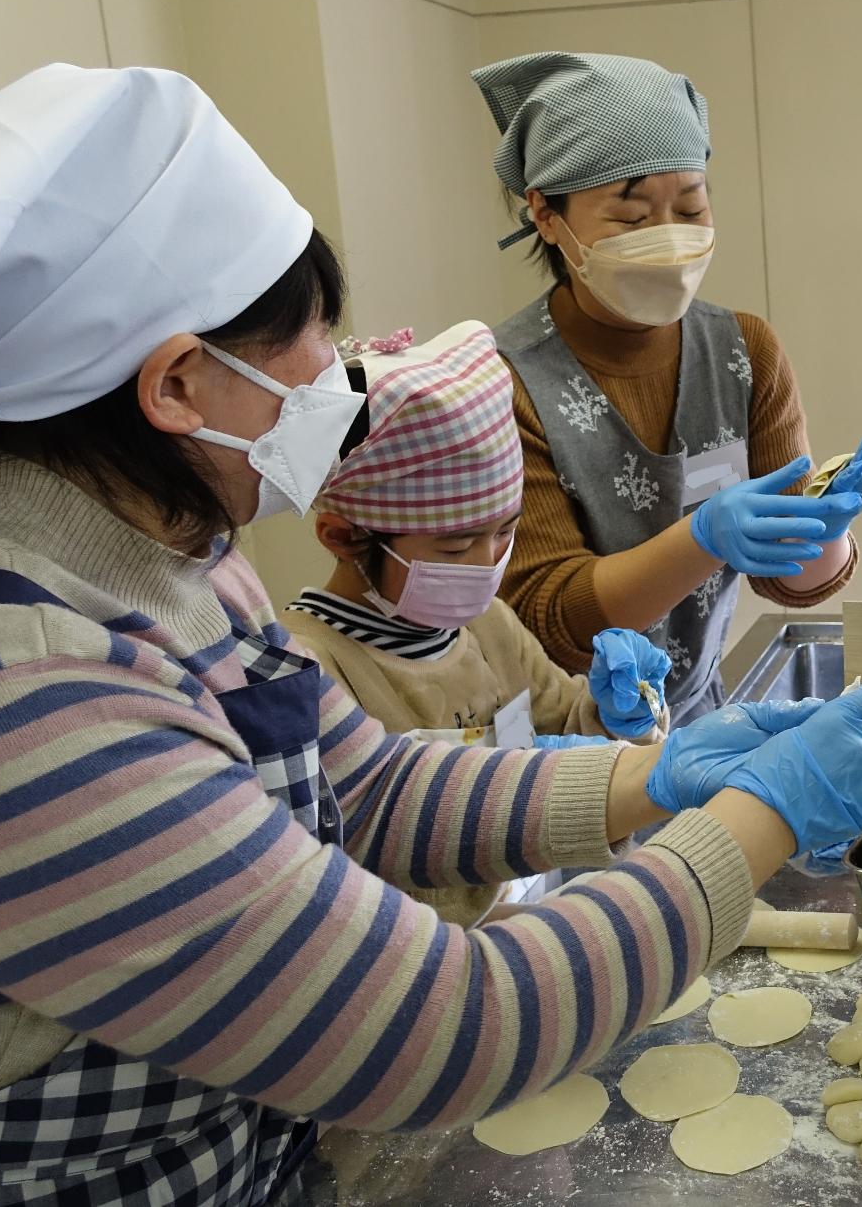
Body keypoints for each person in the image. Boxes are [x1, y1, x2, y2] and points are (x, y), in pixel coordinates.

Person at [0, 63, 862, 1204]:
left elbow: (360, 786)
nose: (340, 372)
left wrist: (645, 776)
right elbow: (450, 1023)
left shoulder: (164, 559)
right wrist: (758, 819)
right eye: (311, 338)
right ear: (176, 384)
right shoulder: (13, 704)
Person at [471, 51, 862, 726]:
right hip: (561, 745)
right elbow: (550, 613)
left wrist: (823, 534)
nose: (668, 240)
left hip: (695, 722)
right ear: (546, 215)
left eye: (690, 207)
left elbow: (785, 582)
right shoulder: (504, 378)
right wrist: (703, 539)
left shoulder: (744, 353)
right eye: (632, 221)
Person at [280, 319, 674, 925]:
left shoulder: (488, 624)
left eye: (505, 531)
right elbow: (353, 863)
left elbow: (560, 723)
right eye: (458, 547)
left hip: (528, 915)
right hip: (427, 960)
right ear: (344, 537)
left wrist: (616, 717)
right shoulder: (313, 670)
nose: (490, 563)